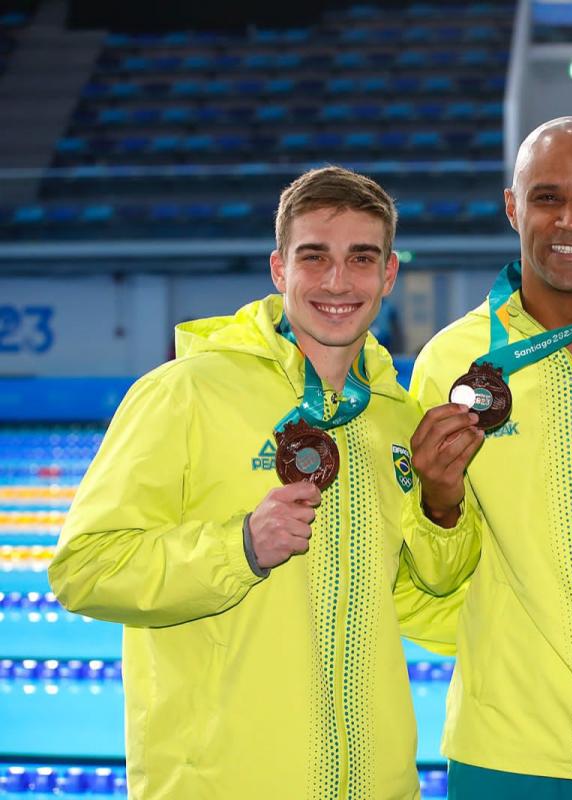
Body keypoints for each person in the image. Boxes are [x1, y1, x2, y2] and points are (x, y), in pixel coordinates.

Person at [48, 166, 480, 800]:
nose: (338, 281)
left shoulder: (395, 420)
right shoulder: (184, 394)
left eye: (362, 258)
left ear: (389, 275)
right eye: (315, 257)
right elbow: (83, 570)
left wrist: (443, 512)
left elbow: (423, 606)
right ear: (279, 270)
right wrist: (240, 548)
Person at [405, 116, 572, 797]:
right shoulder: (450, 364)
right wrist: (437, 501)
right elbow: (430, 578)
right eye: (547, 197)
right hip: (507, 749)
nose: (570, 219)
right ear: (513, 206)